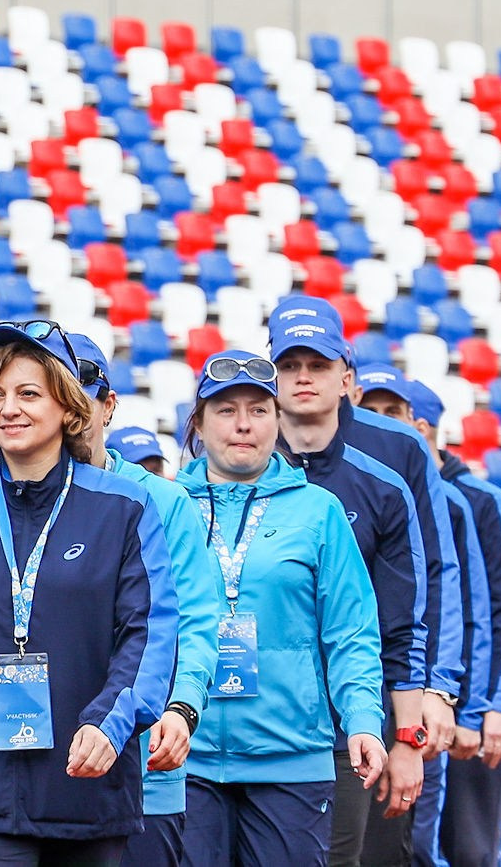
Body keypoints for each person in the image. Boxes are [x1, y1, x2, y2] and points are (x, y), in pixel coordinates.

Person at [0, 320, 179, 866]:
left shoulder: (124, 508)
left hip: (87, 786)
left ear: (69, 408)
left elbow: (149, 632)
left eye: (29, 393)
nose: (8, 409)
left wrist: (110, 721)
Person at [265, 298, 462, 867]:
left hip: (364, 709)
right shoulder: (239, 445)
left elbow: (428, 583)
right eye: (289, 364)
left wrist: (427, 701)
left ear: (346, 375)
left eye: (318, 364)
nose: (302, 378)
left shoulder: (397, 452)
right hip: (259, 709)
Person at [177, 352, 387, 867]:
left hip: (291, 760)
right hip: (182, 757)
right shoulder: (163, 505)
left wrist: (362, 717)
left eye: (259, 409)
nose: (244, 424)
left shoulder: (319, 510)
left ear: (279, 420)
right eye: (225, 410)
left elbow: (351, 630)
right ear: (198, 424)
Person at [352, 370, 501, 867]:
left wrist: (471, 705)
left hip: (442, 702)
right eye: (374, 409)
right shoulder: (360, 482)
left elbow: (479, 607)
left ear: (421, 426)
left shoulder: (468, 501)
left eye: (395, 414)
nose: (379, 422)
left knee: (458, 848)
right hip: (394, 698)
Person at [67, 330, 220, 867]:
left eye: (82, 395)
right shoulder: (9, 494)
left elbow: (197, 618)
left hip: (142, 767)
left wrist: (180, 707)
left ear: (108, 406)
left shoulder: (163, 500)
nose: (72, 411)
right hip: (38, 764)